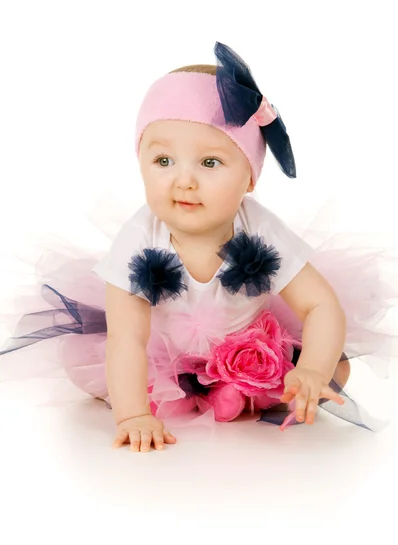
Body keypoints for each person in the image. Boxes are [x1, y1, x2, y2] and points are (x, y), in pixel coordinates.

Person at [1, 42, 396, 452]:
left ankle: (235, 390)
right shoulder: (140, 237)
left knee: (338, 368)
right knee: (90, 366)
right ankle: (192, 395)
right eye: (163, 161)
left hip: (243, 345)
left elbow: (320, 306)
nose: (184, 181)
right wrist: (133, 414)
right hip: (163, 352)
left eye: (209, 163)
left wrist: (313, 369)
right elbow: (127, 338)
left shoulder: (258, 229)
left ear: (249, 179)